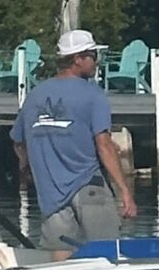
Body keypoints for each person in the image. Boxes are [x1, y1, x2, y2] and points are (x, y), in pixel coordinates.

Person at [11, 29, 137, 256]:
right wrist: (125, 191)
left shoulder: (34, 95)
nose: (96, 62)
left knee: (60, 253)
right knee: (107, 252)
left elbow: (19, 142)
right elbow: (104, 145)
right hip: (89, 185)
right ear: (78, 59)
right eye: (93, 56)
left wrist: (27, 168)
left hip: (50, 193)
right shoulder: (93, 94)